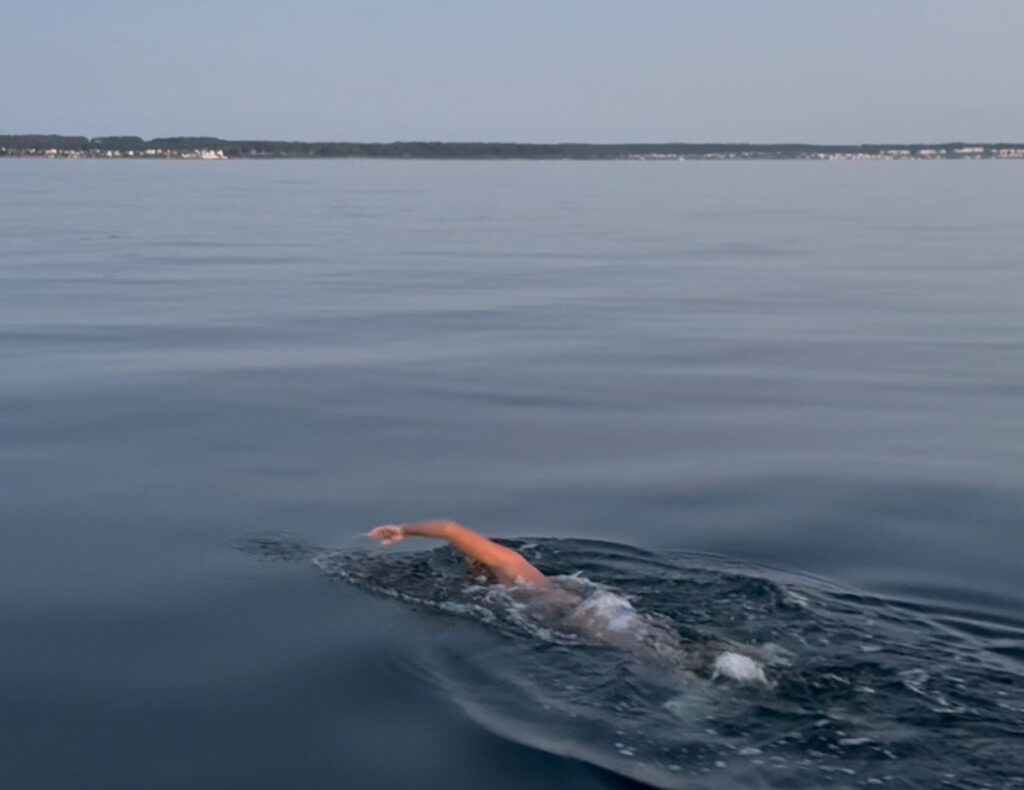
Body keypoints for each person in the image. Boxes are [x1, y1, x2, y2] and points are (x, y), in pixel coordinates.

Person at [368, 519, 771, 685]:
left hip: (588, 621)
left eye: (472, 565)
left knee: (661, 661)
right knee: (667, 644)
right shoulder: (528, 581)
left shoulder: (511, 570)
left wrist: (402, 530)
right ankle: (739, 662)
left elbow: (452, 529)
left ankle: (704, 689)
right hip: (609, 609)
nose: (470, 571)